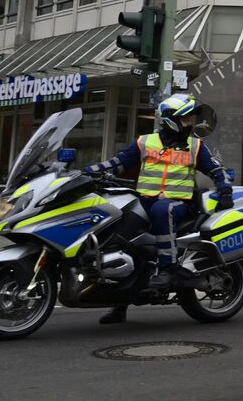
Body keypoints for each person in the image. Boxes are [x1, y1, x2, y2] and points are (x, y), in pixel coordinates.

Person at [84, 93, 232, 324]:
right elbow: (119, 162)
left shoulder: (195, 146)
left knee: (163, 210)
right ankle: (119, 302)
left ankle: (168, 268)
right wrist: (87, 173)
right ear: (172, 120)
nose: (190, 123)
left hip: (179, 203)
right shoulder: (146, 142)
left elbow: (216, 170)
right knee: (120, 236)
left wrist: (225, 191)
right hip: (145, 201)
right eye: (185, 119)